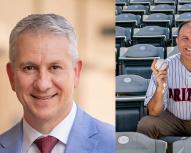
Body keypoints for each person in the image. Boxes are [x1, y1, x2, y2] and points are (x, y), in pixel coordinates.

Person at [0, 14, 115, 153]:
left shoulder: (113, 144)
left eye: (55, 67)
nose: (42, 85)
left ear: (76, 73)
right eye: (29, 68)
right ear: (11, 76)